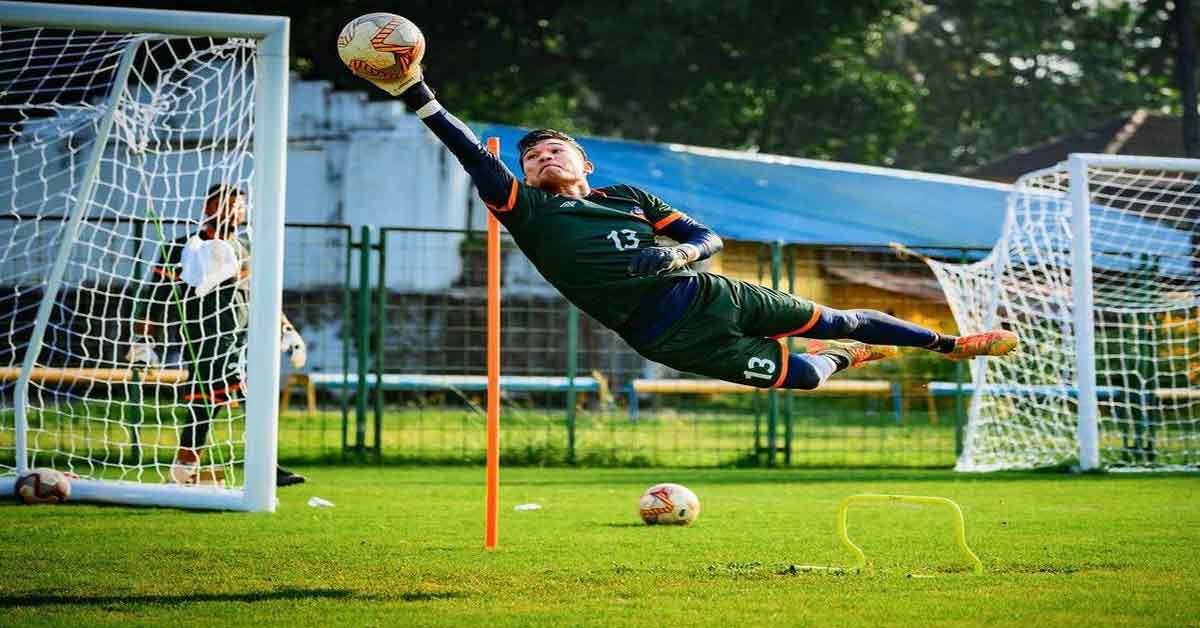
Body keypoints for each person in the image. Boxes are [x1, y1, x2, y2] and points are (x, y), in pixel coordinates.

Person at [349, 65, 1018, 392]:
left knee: (838, 317)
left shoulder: (629, 195)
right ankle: (847, 361)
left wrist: (679, 256)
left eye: (556, 148)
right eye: (531, 154)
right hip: (668, 336)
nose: (541, 156)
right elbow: (469, 152)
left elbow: (710, 239)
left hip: (710, 293)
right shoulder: (524, 208)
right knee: (810, 378)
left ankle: (951, 344)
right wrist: (419, 93)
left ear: (585, 162)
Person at [128, 184, 308, 487]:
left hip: (244, 340)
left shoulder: (243, 249)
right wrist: (144, 339)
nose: (237, 212)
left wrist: (287, 330)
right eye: (229, 205)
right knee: (217, 402)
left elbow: (260, 294)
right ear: (208, 208)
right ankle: (255, 469)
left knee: (219, 403)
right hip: (204, 340)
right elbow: (154, 298)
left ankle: (189, 470)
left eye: (240, 206)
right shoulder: (182, 247)